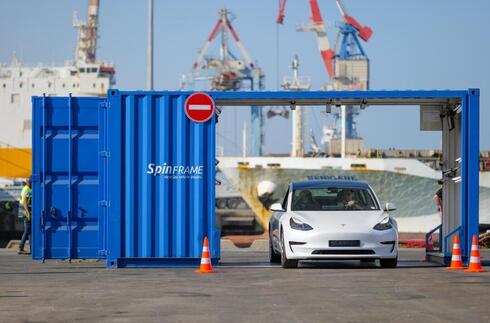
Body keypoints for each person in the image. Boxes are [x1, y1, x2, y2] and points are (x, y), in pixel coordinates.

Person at [18, 177, 32, 255]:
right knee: (27, 230)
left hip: (24, 210)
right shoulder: (27, 190)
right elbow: (25, 203)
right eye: (30, 182)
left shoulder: (26, 188)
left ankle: (32, 248)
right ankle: (20, 247)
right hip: (25, 211)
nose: (31, 184)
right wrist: (28, 213)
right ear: (27, 182)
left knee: (29, 230)